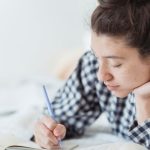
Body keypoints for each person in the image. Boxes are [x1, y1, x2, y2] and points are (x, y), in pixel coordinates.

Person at [33, 0, 150, 149]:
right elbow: (59, 118)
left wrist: (144, 102)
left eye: (116, 64)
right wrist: (45, 132)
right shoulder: (93, 67)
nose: (101, 76)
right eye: (96, 56)